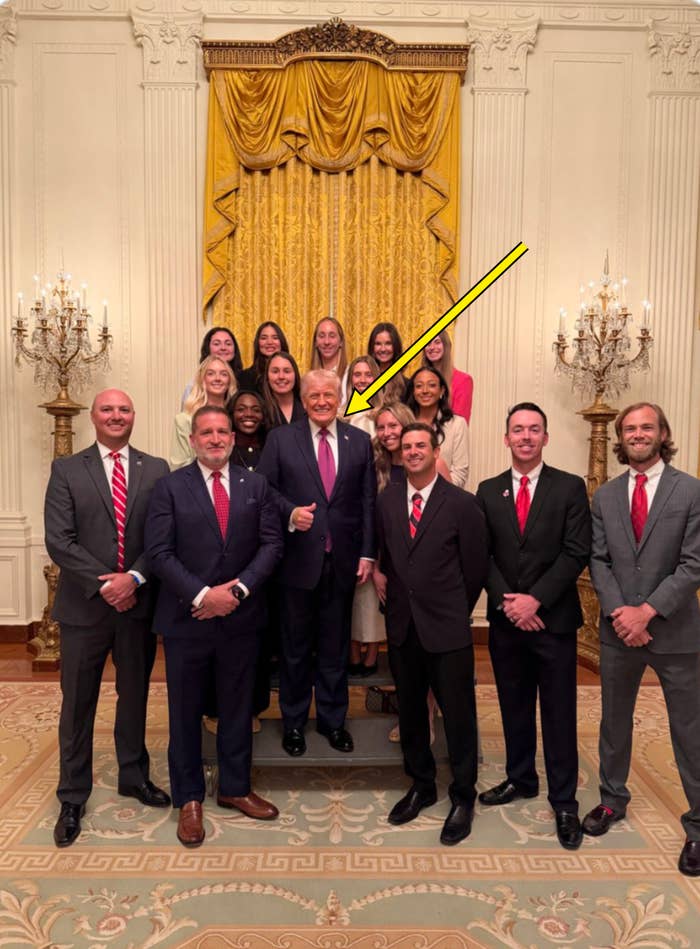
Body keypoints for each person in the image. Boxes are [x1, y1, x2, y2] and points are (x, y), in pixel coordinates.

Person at [145, 406, 283, 847]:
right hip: (187, 619)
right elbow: (160, 553)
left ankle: (235, 787)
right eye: (207, 432)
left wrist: (236, 592)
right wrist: (205, 596)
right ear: (193, 439)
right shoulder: (169, 487)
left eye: (223, 431)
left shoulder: (255, 485)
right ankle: (189, 798)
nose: (216, 438)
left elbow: (272, 544)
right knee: (185, 712)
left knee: (237, 707)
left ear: (232, 438)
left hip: (242, 618)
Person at [44, 389, 171, 848]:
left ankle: (133, 775)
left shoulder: (156, 469)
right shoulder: (66, 469)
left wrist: (132, 578)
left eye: (124, 409)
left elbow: (162, 534)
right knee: (78, 703)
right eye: (108, 410)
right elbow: (60, 540)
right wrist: (106, 585)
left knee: (134, 695)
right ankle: (72, 794)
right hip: (84, 608)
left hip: (136, 605)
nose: (116, 416)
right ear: (95, 417)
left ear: (133, 416)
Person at [582, 402, 700, 876]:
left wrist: (646, 612)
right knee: (614, 722)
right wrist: (621, 614)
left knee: (689, 730)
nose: (637, 434)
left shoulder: (690, 490)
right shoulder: (606, 496)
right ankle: (612, 799)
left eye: (646, 427)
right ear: (620, 438)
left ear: (662, 434)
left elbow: (693, 564)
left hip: (675, 632)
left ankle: (698, 826)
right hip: (619, 632)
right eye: (629, 428)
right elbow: (599, 560)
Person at [476, 402, 591, 851]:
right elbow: (482, 554)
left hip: (553, 621)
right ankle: (520, 778)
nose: (526, 436)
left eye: (534, 429)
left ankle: (564, 801)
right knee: (513, 706)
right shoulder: (488, 491)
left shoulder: (569, 487)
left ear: (545, 437)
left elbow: (575, 551)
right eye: (518, 429)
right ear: (506, 438)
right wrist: (510, 603)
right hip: (507, 622)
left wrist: (535, 599)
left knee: (559, 714)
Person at [377, 422, 487, 845]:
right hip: (403, 627)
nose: (413, 452)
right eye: (406, 446)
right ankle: (421, 784)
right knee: (410, 712)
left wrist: (453, 610)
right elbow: (389, 557)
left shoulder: (461, 503)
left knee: (458, 716)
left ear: (436, 451)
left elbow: (475, 568)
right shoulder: (387, 500)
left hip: (447, 627)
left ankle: (463, 795)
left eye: (421, 445)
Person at [257, 369, 376, 757]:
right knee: (294, 649)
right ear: (303, 401)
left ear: (340, 399)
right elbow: (264, 491)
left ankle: (332, 721)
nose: (322, 401)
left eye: (329, 395)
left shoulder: (359, 441)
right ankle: (293, 723)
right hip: (296, 562)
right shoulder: (280, 439)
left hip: (343, 562)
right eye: (314, 396)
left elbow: (367, 502)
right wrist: (291, 513)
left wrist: (367, 553)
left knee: (334, 647)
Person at [405, 367, 469, 488]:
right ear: (413, 391)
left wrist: (436, 493)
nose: (425, 391)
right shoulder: (404, 423)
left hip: (445, 494)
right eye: (419, 386)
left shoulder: (457, 424)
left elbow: (460, 473)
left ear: (442, 391)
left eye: (432, 385)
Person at [171, 356, 237, 469]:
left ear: (229, 381)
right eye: (211, 374)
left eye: (223, 374)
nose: (217, 378)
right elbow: (178, 466)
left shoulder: (236, 418)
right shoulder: (185, 419)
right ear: (202, 380)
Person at [181, 326, 243, 408]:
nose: (223, 348)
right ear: (208, 348)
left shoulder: (244, 382)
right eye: (217, 344)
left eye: (228, 344)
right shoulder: (193, 387)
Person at [422, 330, 474, 423]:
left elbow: (460, 422)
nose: (432, 347)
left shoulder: (463, 380)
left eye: (437, 342)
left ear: (446, 346)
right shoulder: (418, 381)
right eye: (428, 344)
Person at [237, 321, 289, 393]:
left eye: (275, 338)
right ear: (258, 343)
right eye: (264, 338)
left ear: (282, 342)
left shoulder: (291, 374)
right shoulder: (245, 377)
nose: (270, 342)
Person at [309, 317, 349, 404]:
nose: (327, 342)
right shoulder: (308, 379)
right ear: (315, 342)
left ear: (341, 342)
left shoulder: (350, 375)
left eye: (332, 336)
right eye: (321, 336)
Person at [262, 352, 305, 427]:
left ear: (295, 375)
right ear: (267, 376)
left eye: (287, 371)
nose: (281, 376)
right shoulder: (260, 408)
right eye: (275, 371)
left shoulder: (307, 406)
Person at [366, 322, 407, 401]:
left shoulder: (406, 385)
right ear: (372, 347)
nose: (383, 349)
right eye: (378, 344)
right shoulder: (364, 381)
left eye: (388, 343)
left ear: (395, 346)